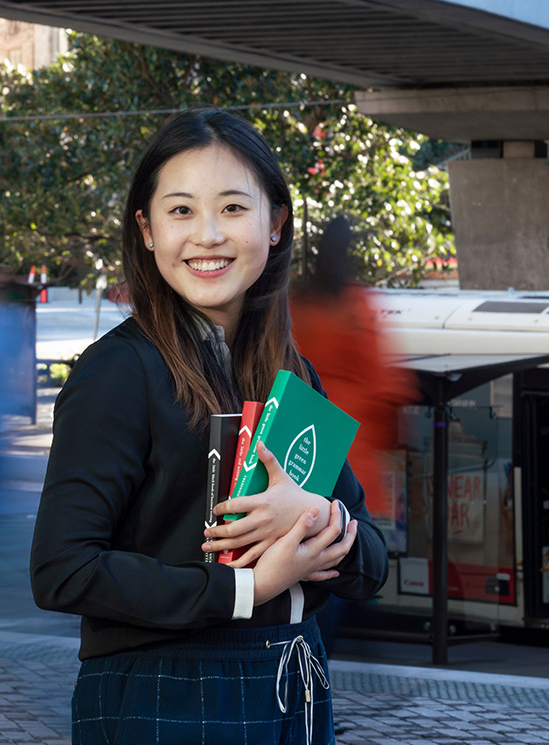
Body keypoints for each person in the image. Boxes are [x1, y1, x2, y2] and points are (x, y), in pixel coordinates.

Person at [30, 109, 388, 745]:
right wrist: (246, 588)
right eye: (180, 211)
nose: (207, 235)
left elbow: (370, 563)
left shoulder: (294, 373)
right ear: (145, 229)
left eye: (231, 208)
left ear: (274, 223)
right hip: (163, 692)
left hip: (294, 683)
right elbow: (63, 570)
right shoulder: (117, 372)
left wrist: (310, 515)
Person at [291, 216, 416, 651]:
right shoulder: (356, 305)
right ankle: (315, 681)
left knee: (305, 567)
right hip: (351, 453)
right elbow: (386, 384)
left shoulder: (297, 302)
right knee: (341, 562)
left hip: (299, 447)